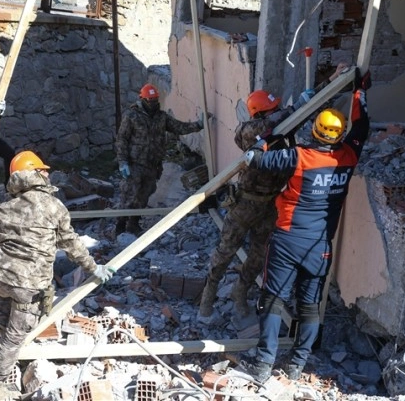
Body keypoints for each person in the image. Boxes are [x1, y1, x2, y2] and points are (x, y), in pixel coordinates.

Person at [237, 68, 372, 383]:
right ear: (338, 137)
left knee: (272, 299)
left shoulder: (298, 158)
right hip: (320, 246)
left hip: (287, 241)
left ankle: (262, 365)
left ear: (315, 131)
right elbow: (362, 126)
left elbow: (252, 158)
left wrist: (270, 135)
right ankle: (297, 365)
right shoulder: (348, 157)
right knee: (309, 305)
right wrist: (359, 92)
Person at [199, 63, 349, 322]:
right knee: (226, 251)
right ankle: (207, 297)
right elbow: (281, 119)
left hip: (270, 204)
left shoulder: (280, 128)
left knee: (258, 255)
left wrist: (333, 80)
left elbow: (305, 110)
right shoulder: (249, 130)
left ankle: (240, 292)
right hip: (245, 203)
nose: (279, 110)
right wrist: (295, 107)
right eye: (273, 108)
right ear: (260, 114)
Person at [0, 151, 116, 400]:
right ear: (36, 175)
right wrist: (94, 268)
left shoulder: (0, 206)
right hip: (27, 285)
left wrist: (5, 262)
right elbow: (71, 244)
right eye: (43, 170)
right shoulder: (53, 206)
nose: (48, 173)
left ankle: (4, 362)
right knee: (15, 335)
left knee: (4, 324)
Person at [115, 83, 206, 235]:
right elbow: (122, 139)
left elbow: (178, 127)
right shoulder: (131, 116)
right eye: (149, 100)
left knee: (144, 195)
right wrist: (122, 162)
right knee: (129, 195)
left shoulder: (161, 117)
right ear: (142, 99)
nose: (153, 103)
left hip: (152, 165)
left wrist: (199, 125)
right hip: (134, 164)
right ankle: (120, 225)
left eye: (155, 100)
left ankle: (133, 223)